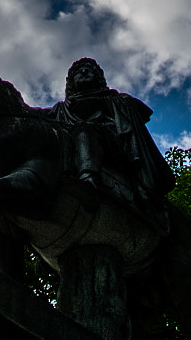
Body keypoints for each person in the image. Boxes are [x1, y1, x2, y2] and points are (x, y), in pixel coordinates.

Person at [52, 57, 174, 223]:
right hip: (72, 149)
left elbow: (140, 113)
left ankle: (88, 181)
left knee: (85, 129)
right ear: (72, 82)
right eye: (78, 72)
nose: (84, 72)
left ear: (98, 77)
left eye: (88, 69)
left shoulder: (117, 100)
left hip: (113, 146)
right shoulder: (61, 108)